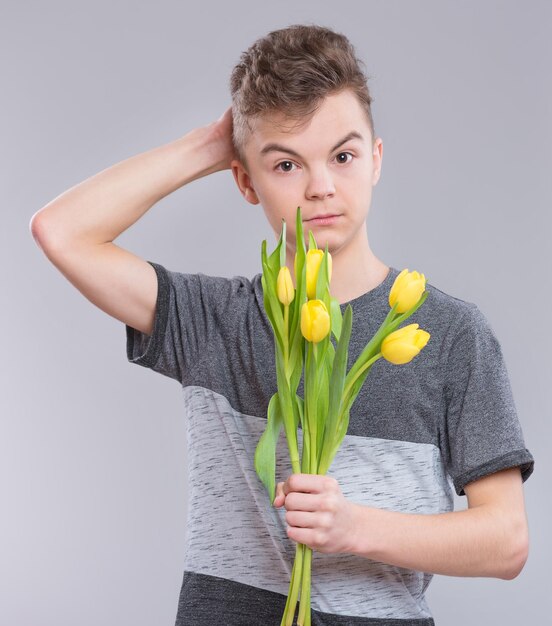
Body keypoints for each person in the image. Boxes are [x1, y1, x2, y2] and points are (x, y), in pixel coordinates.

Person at [30, 23, 534, 626]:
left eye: (343, 156)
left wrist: (354, 528)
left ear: (375, 160)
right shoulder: (214, 320)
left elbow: (506, 541)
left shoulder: (448, 333)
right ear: (247, 181)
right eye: (287, 165)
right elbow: (60, 232)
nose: (321, 186)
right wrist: (210, 146)